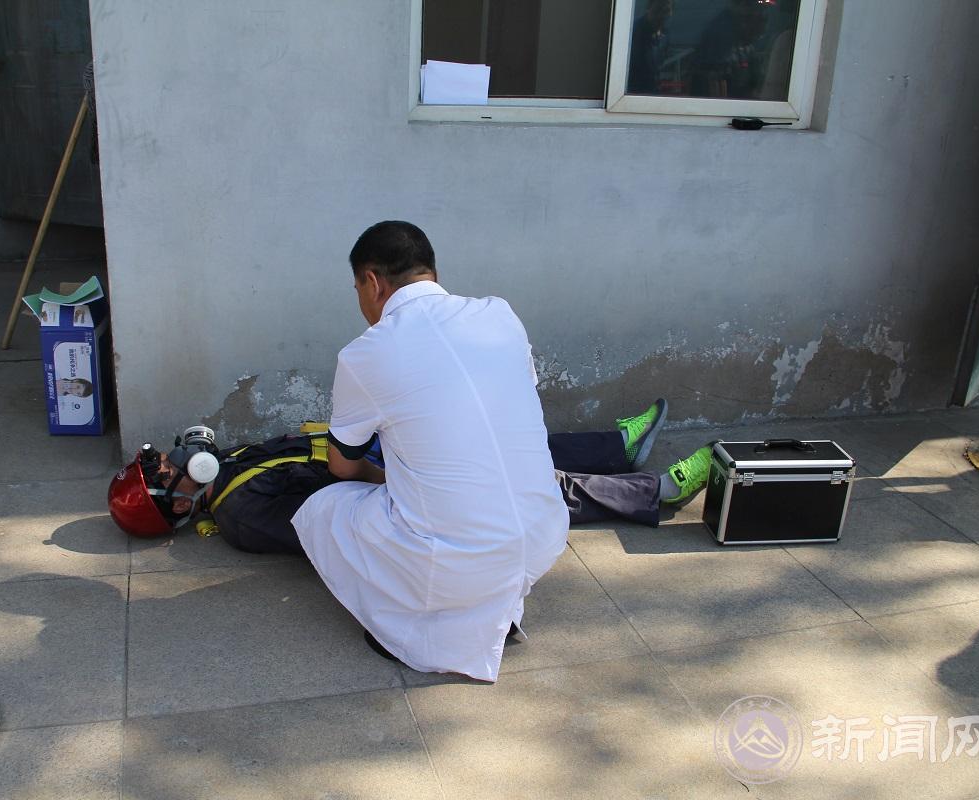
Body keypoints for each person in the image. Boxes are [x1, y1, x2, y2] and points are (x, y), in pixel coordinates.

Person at [289, 221, 710, 681]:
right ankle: (491, 606)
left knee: (327, 510)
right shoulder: (499, 314)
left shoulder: (365, 353)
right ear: (431, 272)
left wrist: (391, 480)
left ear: (372, 282)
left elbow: (342, 466)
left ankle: (406, 628)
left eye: (357, 290)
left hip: (458, 561)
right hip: (545, 536)